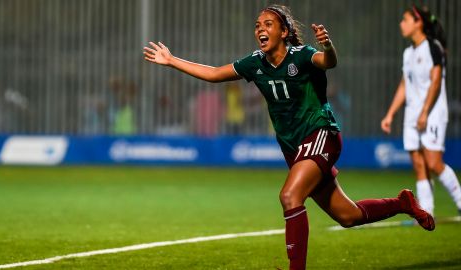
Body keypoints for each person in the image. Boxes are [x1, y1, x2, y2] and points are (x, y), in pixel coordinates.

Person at [144, 5, 434, 270]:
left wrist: (328, 45)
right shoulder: (255, 63)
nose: (260, 29)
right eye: (257, 24)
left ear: (284, 32)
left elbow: (328, 61)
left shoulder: (303, 55)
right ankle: (402, 203)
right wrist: (171, 61)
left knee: (289, 196)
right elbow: (214, 73)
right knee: (349, 216)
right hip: (294, 148)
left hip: (321, 134)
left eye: (268, 24)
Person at [381, 5, 461, 217]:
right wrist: (390, 114)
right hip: (412, 114)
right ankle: (427, 212)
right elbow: (404, 85)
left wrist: (425, 112)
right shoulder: (408, 53)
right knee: (418, 164)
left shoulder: (433, 47)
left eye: (405, 20)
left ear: (419, 23)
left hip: (433, 112)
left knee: (434, 162)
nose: (401, 24)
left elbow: (436, 80)